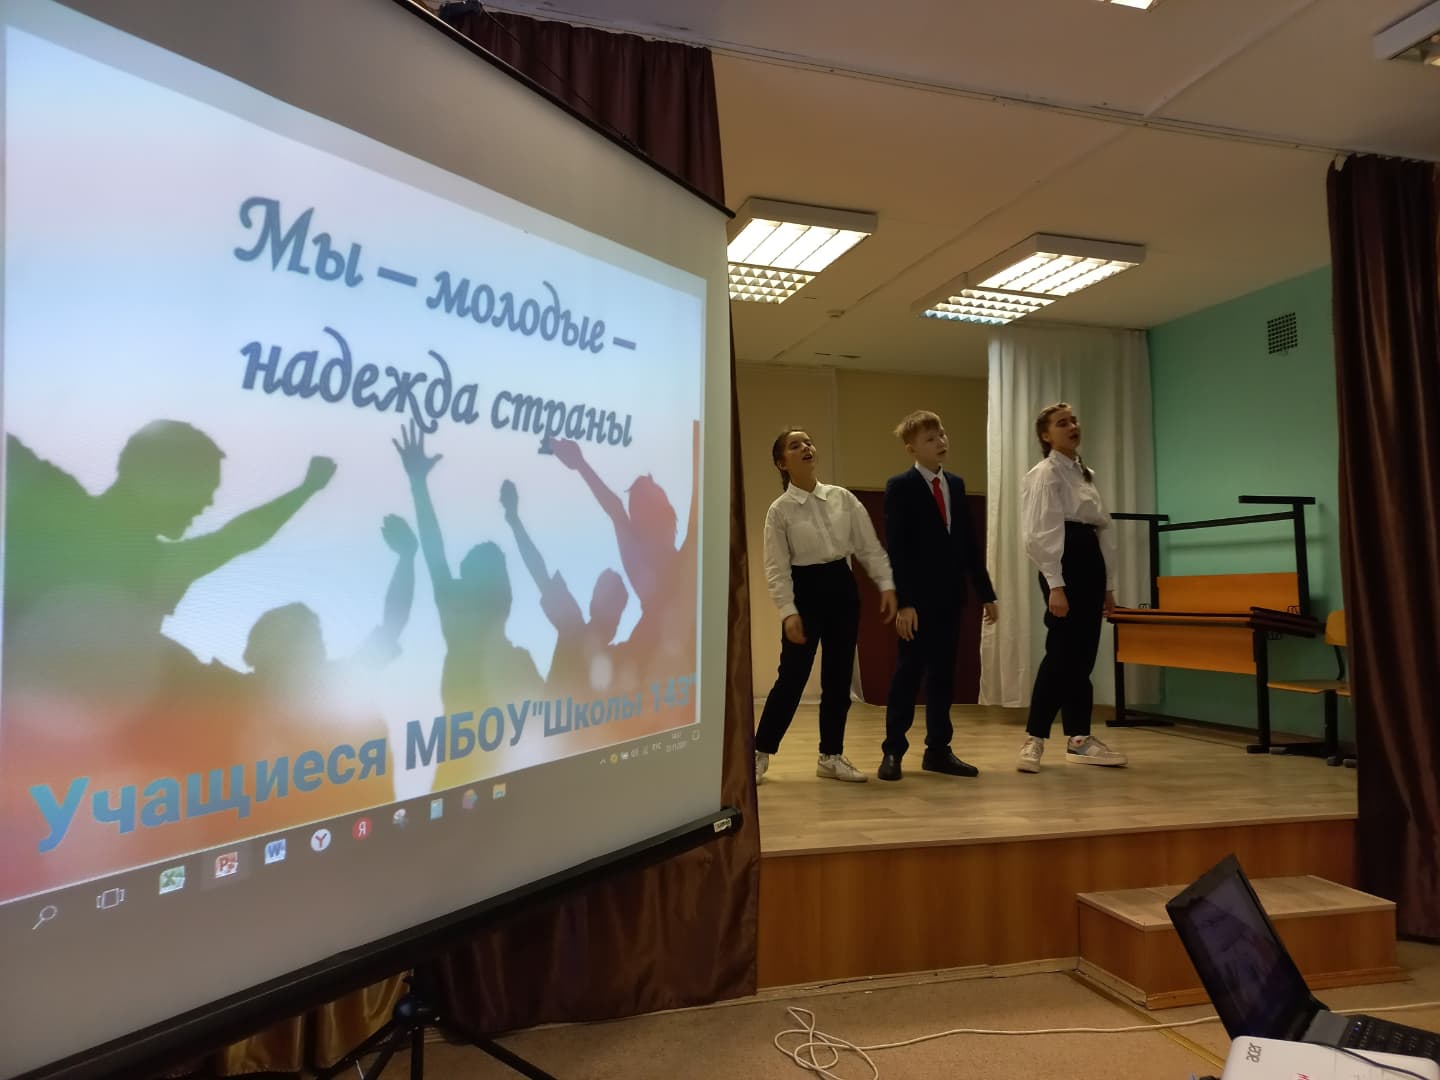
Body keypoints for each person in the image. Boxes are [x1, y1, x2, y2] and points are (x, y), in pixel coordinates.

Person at [754, 429, 896, 784]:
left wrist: (886, 583)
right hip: (805, 591)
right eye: (795, 445)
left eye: (808, 442)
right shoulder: (779, 510)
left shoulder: (842, 498)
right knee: (792, 677)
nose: (806, 447)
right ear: (781, 463)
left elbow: (868, 546)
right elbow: (776, 567)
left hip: (842, 587)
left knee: (838, 677)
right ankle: (759, 752)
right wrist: (788, 610)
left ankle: (831, 755)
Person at [878, 410, 998, 782]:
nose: (940, 442)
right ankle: (893, 750)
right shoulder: (901, 486)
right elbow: (897, 549)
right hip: (917, 601)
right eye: (930, 438)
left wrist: (986, 592)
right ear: (911, 448)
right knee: (908, 674)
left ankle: (938, 750)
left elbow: (968, 544)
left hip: (950, 598)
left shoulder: (956, 485)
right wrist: (905, 603)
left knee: (943, 676)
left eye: (942, 434)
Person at [1017, 402, 1128, 772]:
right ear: (1046, 435)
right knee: (1061, 652)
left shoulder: (1085, 473)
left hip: (1090, 562)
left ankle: (1079, 738)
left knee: (1083, 656)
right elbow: (1039, 533)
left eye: (1074, 420)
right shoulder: (1044, 474)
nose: (1072, 426)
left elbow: (1102, 530)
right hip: (1064, 564)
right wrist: (1055, 584)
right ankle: (1034, 738)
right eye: (1062, 423)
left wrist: (1108, 585)